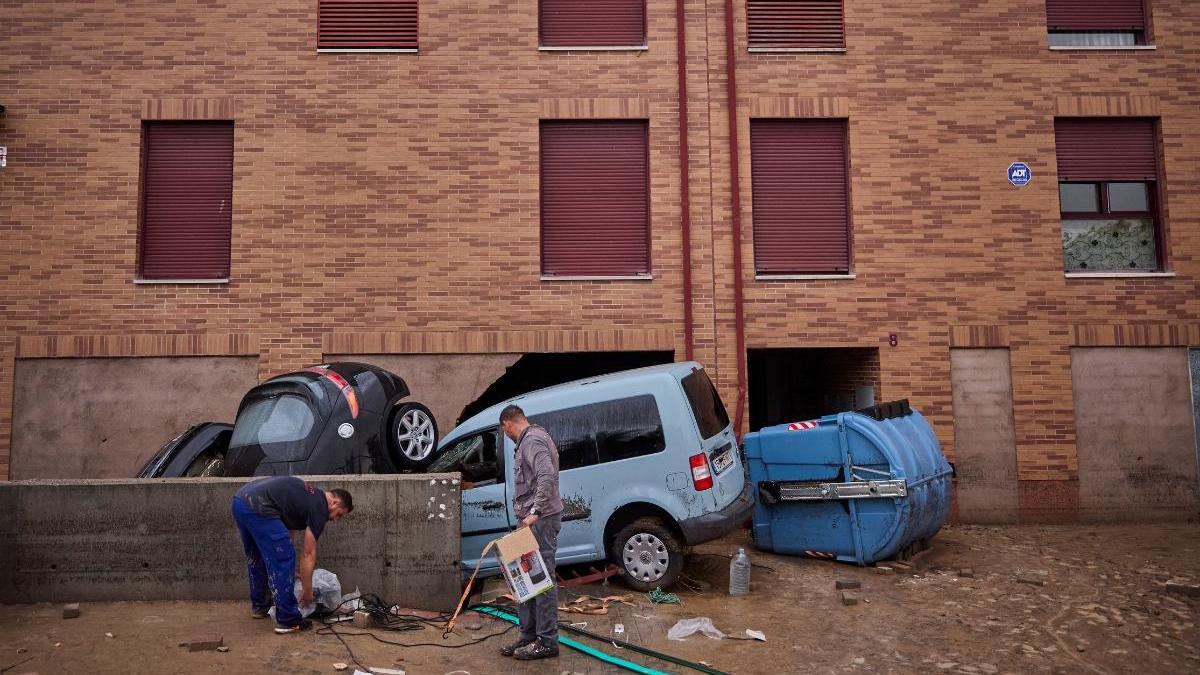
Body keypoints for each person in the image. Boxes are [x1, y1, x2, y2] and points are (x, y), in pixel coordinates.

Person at [230, 476, 353, 633]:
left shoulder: (308, 496)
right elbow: (308, 553)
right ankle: (289, 620)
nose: (335, 519)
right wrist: (307, 590)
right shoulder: (320, 507)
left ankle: (260, 607)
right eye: (339, 514)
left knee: (259, 558)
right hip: (259, 506)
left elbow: (287, 530)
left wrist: (288, 570)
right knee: (284, 558)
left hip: (240, 501)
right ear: (334, 503)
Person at [497, 404, 563, 661]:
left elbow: (546, 475)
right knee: (523, 579)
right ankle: (528, 636)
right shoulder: (530, 439)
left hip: (540, 521)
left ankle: (547, 641)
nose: (507, 435)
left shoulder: (533, 440)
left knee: (541, 580)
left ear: (508, 424)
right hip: (529, 522)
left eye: (505, 431)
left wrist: (536, 510)